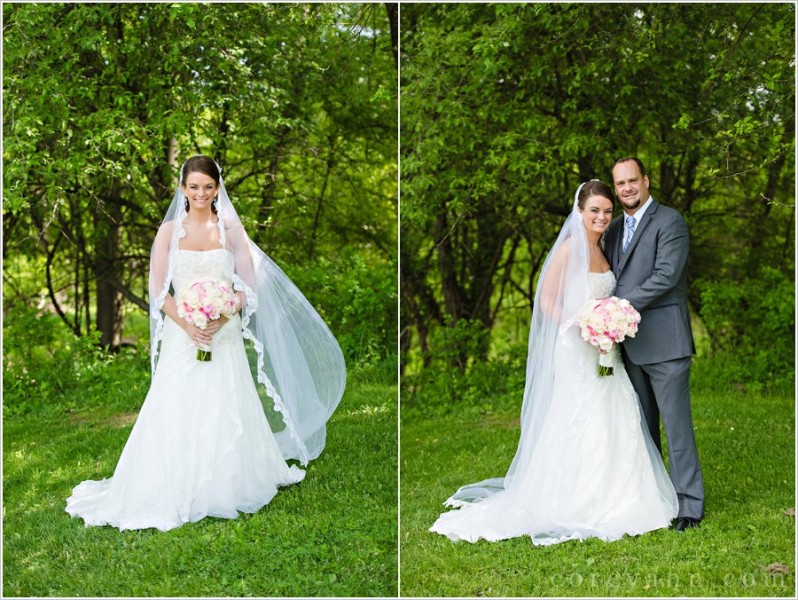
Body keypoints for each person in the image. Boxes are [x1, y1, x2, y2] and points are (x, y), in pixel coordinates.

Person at [66, 155, 346, 531]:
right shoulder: (169, 232)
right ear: (183, 188)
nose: (201, 193)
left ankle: (228, 479)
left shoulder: (230, 229)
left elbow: (248, 286)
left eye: (208, 187)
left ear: (217, 189)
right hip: (182, 334)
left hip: (223, 333)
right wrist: (188, 325)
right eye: (194, 187)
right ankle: (168, 479)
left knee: (226, 397)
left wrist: (223, 315)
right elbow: (159, 292)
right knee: (174, 399)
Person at [430, 180, 678, 545]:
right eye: (594, 210)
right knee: (579, 411)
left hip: (604, 347)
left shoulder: (603, 248)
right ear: (579, 211)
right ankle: (574, 495)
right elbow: (547, 301)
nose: (602, 217)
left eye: (607, 211)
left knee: (615, 407)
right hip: (576, 346)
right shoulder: (567, 250)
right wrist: (583, 326)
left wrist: (606, 327)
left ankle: (621, 492)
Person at [604, 157, 704, 531]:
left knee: (677, 429)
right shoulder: (614, 228)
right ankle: (654, 500)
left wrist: (618, 307)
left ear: (645, 180)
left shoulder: (670, 221)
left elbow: (666, 275)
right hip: (629, 345)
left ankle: (689, 506)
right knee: (643, 428)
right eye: (620, 184)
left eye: (632, 180)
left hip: (665, 342)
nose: (627, 188)